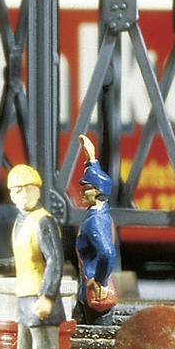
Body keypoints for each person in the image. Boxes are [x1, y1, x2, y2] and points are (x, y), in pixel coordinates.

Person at [4, 160, 71, 349]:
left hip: (39, 298)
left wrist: (48, 296)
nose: (21, 195)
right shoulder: (21, 223)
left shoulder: (44, 221)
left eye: (26, 189)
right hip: (24, 298)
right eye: (16, 190)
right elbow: (19, 261)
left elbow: (54, 259)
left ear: (37, 190)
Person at [69, 134, 122, 320]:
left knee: (94, 331)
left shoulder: (95, 221)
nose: (82, 190)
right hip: (91, 284)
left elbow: (107, 252)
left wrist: (99, 280)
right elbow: (99, 179)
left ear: (98, 192)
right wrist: (91, 158)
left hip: (92, 287)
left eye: (87, 188)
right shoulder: (102, 210)